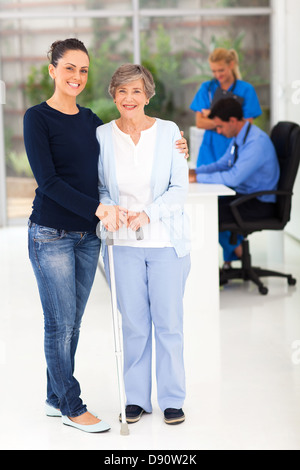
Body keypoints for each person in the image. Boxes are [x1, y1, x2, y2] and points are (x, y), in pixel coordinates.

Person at [23, 39, 189, 433]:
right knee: (78, 324)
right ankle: (96, 401)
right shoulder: (64, 124)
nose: (76, 77)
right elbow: (65, 182)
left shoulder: (117, 126)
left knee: (89, 323)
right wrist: (104, 208)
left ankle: (166, 400)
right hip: (81, 237)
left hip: (124, 238)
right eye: (69, 69)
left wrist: (178, 146)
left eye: (83, 70)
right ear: (53, 70)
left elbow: (167, 185)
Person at [97, 64, 191, 425]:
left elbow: (179, 189)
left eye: (136, 91)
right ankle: (135, 397)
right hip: (121, 244)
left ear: (148, 96)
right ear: (114, 96)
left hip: (165, 242)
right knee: (134, 324)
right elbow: (102, 186)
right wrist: (111, 210)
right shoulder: (103, 136)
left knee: (168, 323)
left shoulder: (169, 133)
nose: (129, 98)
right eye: (122, 91)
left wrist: (148, 214)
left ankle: (172, 398)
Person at [189, 97, 280, 266]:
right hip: (246, 195)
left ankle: (212, 269)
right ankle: (238, 252)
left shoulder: (256, 143)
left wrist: (197, 179)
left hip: (259, 202)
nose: (218, 131)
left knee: (208, 215)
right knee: (209, 208)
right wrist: (195, 172)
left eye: (220, 126)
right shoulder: (241, 136)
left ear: (232, 121)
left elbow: (233, 177)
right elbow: (222, 164)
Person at [190, 47, 262, 167]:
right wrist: (229, 121)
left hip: (234, 148)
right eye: (214, 71)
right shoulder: (206, 88)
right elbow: (200, 123)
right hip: (209, 152)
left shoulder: (246, 90)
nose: (217, 75)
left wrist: (212, 114)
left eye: (221, 70)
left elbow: (246, 125)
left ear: (231, 65)